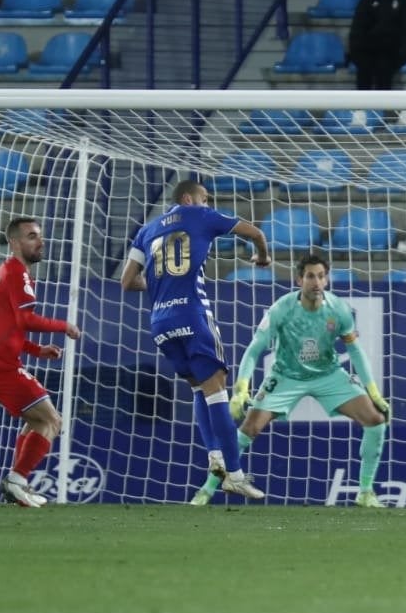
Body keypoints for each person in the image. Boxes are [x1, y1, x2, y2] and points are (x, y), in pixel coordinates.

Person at [191, 256, 391, 506]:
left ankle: (365, 492)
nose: (316, 282)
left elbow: (355, 351)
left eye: (321, 276)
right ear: (299, 279)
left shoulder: (338, 308)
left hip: (328, 375)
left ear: (326, 279)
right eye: (310, 276)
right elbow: (254, 350)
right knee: (249, 429)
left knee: (376, 420)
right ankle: (206, 491)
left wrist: (373, 391)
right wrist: (242, 388)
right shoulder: (281, 309)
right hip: (286, 377)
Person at [119, 180, 271, 501]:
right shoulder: (201, 216)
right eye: (204, 198)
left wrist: (161, 284)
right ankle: (235, 474)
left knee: (200, 388)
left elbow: (127, 281)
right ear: (188, 199)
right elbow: (256, 232)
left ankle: (214, 456)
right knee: (218, 390)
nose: (208, 203)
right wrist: (262, 257)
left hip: (160, 322)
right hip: (192, 314)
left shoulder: (147, 230)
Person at [0, 217, 80, 508]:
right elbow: (25, 319)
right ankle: (16, 480)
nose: (40, 242)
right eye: (32, 236)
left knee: (35, 420)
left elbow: (8, 327)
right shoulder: (16, 273)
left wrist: (34, 349)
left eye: (40, 236)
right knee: (51, 420)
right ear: (15, 243)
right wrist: (63, 326)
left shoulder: (10, 271)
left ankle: (18, 486)